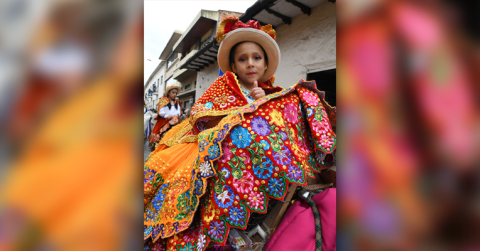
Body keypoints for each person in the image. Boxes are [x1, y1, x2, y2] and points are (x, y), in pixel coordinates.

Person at [144, 17, 336, 251]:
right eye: (242, 59)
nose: (250, 64)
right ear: (233, 66)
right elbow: (200, 112)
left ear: (265, 65)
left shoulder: (273, 95)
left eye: (256, 58)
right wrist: (240, 114)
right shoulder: (222, 86)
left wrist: (262, 104)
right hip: (219, 147)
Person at [148, 85, 182, 150]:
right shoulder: (163, 101)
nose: (175, 94)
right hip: (165, 120)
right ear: (169, 92)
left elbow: (179, 112)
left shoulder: (177, 103)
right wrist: (166, 115)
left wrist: (176, 117)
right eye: (173, 92)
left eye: (176, 93)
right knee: (161, 134)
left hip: (175, 121)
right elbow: (160, 111)